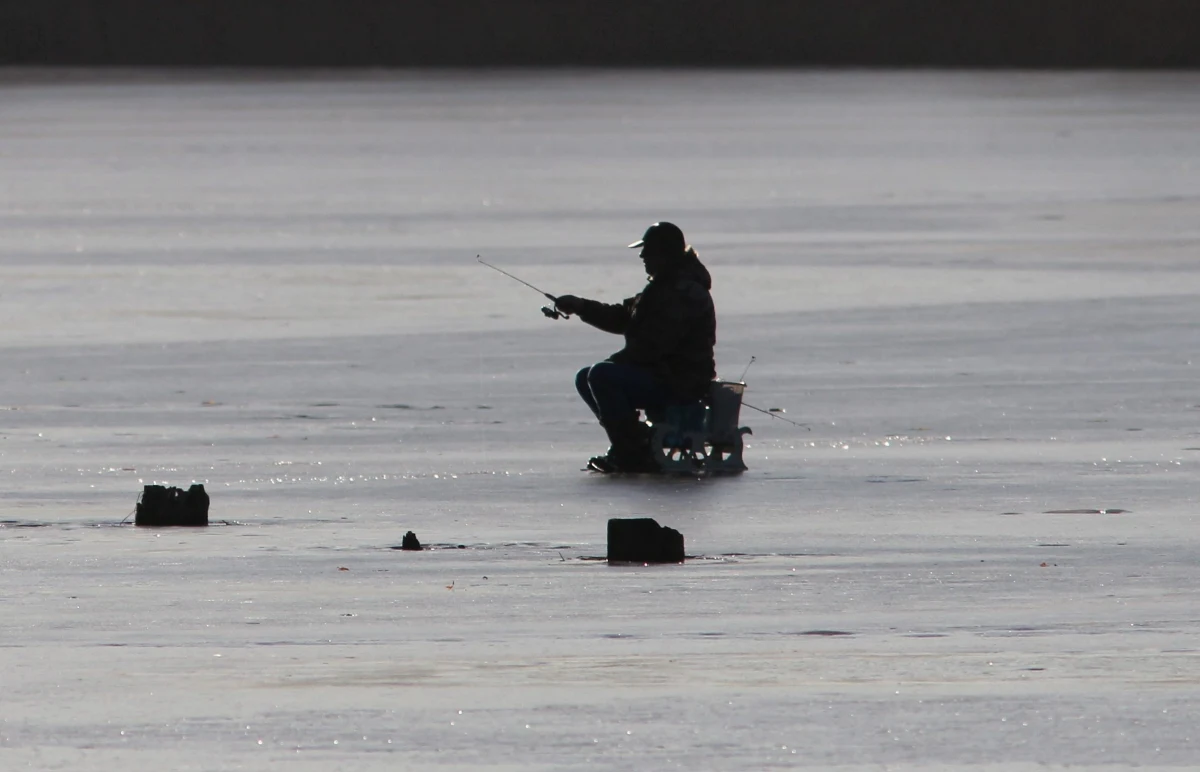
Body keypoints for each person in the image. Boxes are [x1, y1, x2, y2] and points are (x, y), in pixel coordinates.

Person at [554, 222, 716, 473]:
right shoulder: (661, 287)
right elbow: (624, 318)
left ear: (666, 254)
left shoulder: (684, 292)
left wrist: (616, 362)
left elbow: (656, 345)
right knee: (586, 377)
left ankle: (631, 452)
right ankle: (633, 441)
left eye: (648, 250)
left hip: (680, 381)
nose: (642, 256)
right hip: (661, 375)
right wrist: (581, 307)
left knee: (601, 375)